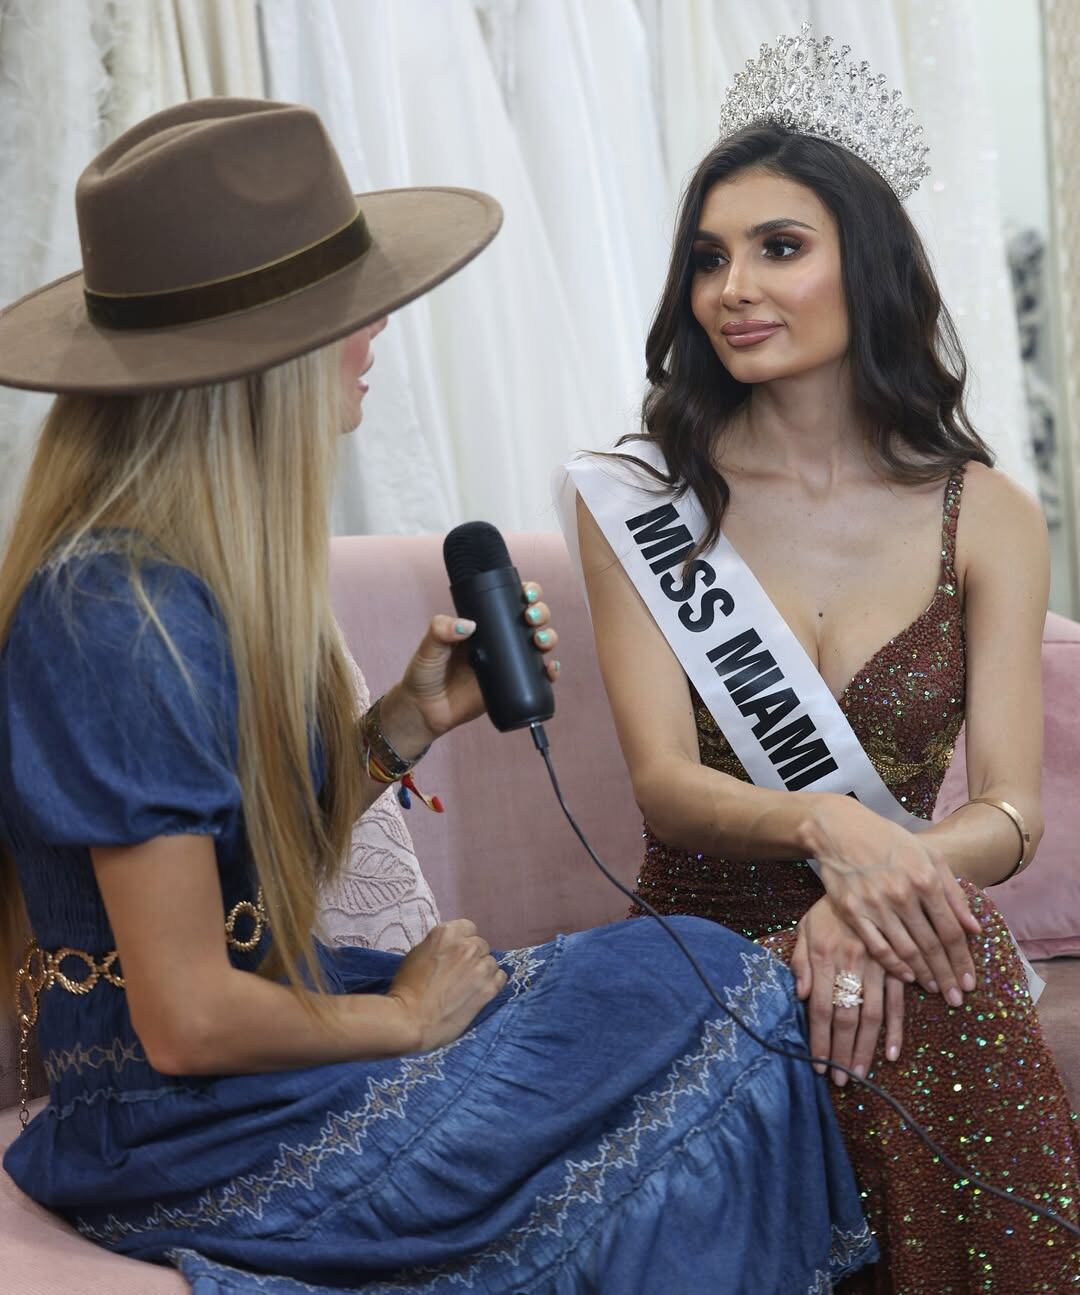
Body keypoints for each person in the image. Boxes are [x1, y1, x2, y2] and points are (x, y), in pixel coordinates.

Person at [0, 98, 876, 1294]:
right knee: (716, 994)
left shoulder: (189, 583)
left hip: (266, 1068)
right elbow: (188, 1017)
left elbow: (244, 890)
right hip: (199, 1132)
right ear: (258, 362)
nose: (376, 337)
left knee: (688, 969)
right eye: (347, 313)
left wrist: (397, 730)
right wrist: (405, 1021)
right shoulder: (111, 613)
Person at [563, 28, 1080, 1295]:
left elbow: (1011, 810)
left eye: (778, 248)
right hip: (702, 935)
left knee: (931, 1006)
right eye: (709, 256)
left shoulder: (991, 515)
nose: (731, 286)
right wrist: (828, 832)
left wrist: (866, 888)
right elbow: (664, 785)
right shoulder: (638, 497)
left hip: (903, 920)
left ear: (874, 267)